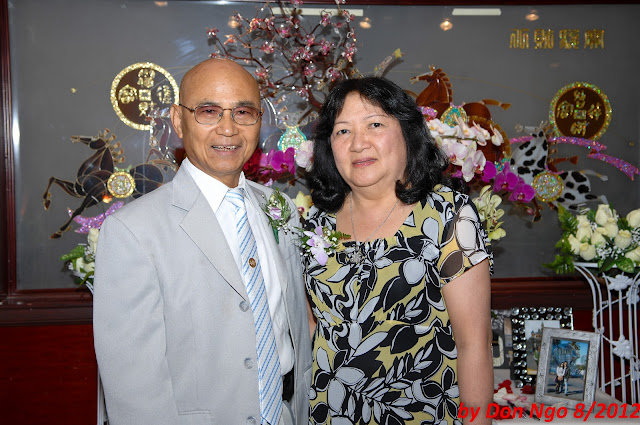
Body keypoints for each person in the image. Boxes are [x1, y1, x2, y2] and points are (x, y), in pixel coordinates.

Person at [93, 58, 312, 425]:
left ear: (259, 121)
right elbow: (134, 391)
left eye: (243, 112)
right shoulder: (133, 231)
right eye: (208, 111)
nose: (228, 128)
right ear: (178, 121)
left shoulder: (280, 209)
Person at [303, 76, 494, 424]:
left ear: (407, 132)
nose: (358, 143)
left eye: (374, 125)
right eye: (343, 131)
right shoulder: (316, 223)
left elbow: (474, 345)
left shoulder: (448, 215)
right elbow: (314, 330)